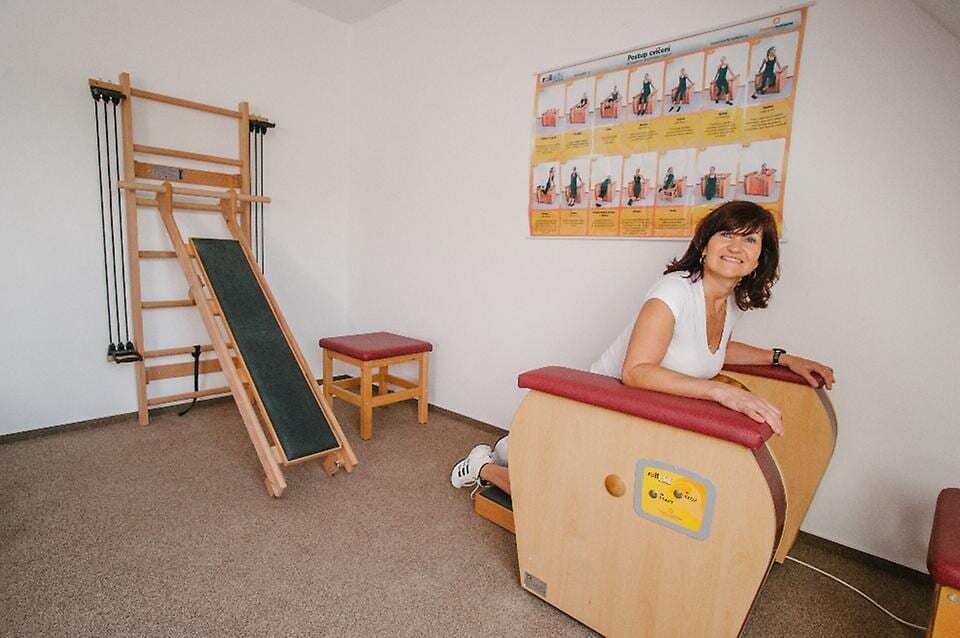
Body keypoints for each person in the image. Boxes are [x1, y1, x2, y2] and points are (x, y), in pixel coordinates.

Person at [450, 201, 835, 495]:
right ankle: (484, 464)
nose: (736, 246)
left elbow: (713, 350)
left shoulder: (728, 302)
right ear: (705, 245)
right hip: (602, 407)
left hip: (650, 417)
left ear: (758, 259)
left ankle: (513, 448)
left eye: (749, 239)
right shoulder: (674, 290)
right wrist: (720, 392)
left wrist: (782, 359)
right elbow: (637, 371)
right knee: (559, 495)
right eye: (726, 234)